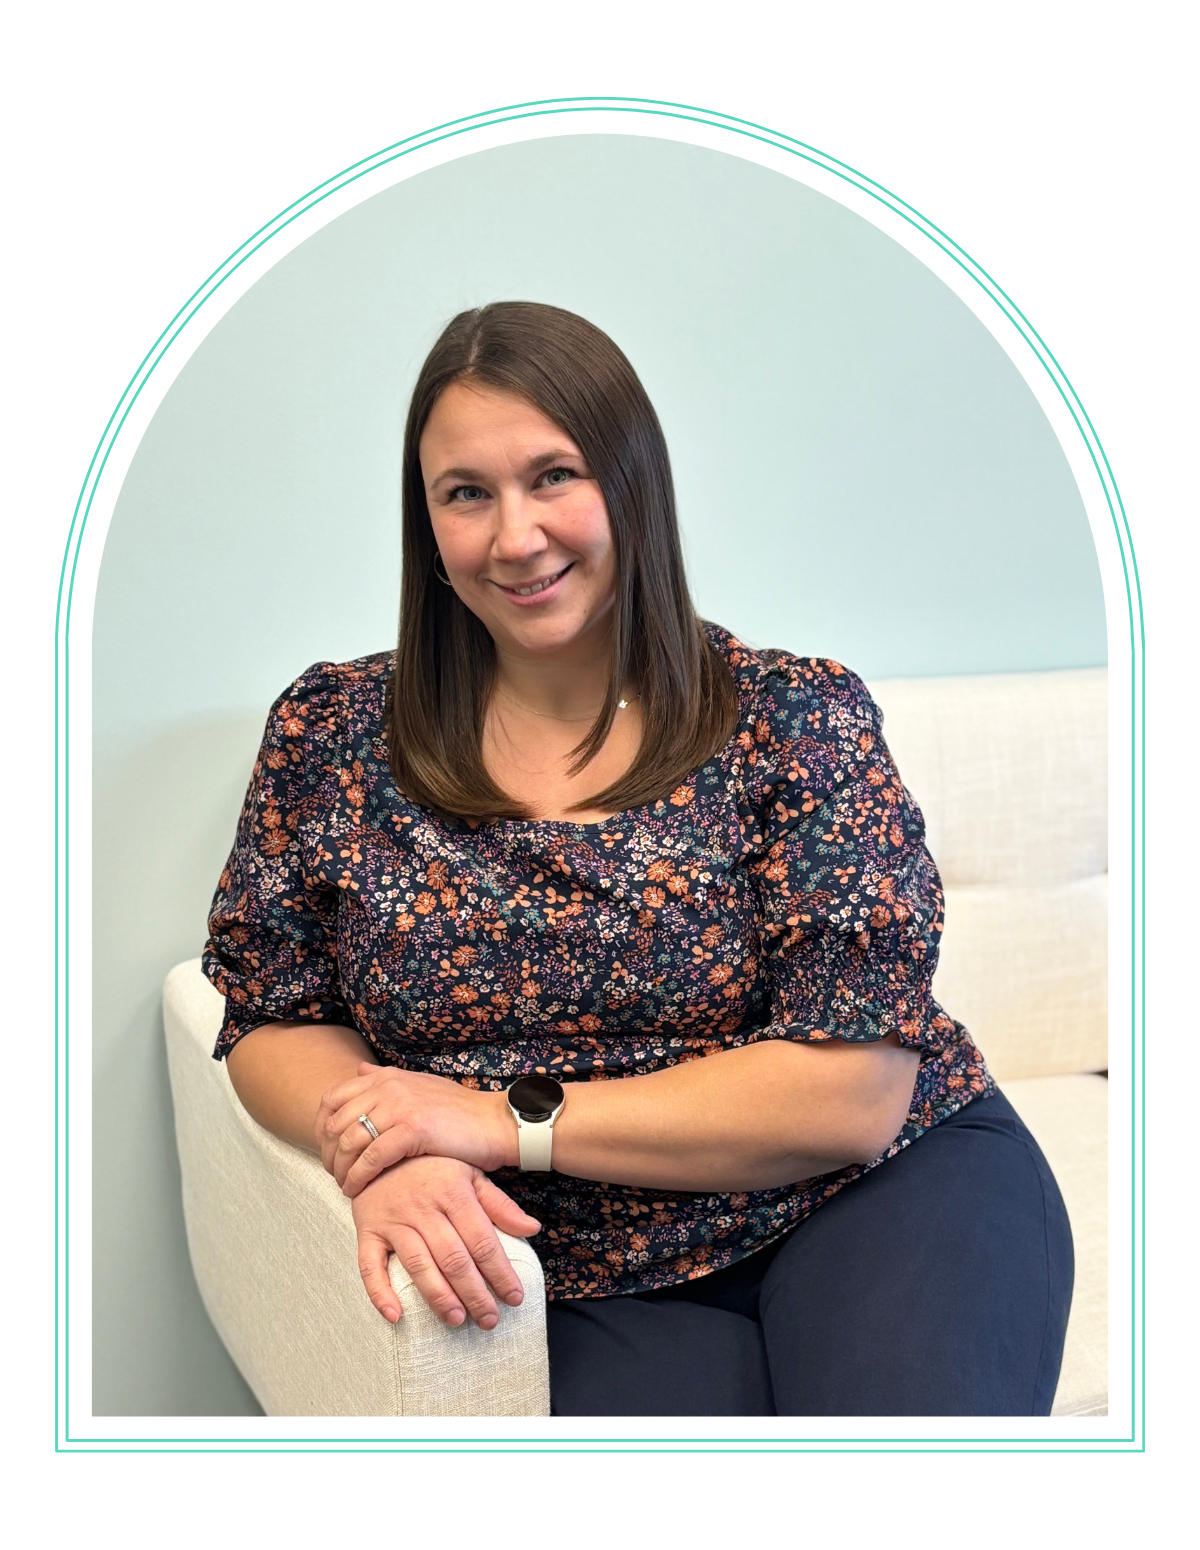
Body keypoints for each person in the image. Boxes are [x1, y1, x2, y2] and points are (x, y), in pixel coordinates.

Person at [202, 301, 1073, 1416]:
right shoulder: (331, 732)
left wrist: (496, 1118)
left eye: (554, 476)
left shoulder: (793, 716)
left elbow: (852, 1093)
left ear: (633, 483)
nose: (516, 536)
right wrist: (387, 1142)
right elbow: (272, 1012)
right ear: (427, 523)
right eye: (466, 493)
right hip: (572, 1266)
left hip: (878, 1190)